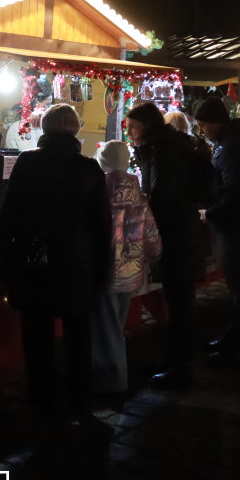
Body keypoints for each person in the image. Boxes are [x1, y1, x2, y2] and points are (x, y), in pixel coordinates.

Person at [0, 104, 112, 420]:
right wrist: (102, 272)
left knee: (37, 336)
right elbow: (103, 228)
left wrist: (7, 264)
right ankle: (79, 399)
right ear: (75, 131)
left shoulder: (27, 163)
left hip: (34, 263)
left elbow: (9, 218)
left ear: (44, 131)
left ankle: (42, 397)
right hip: (77, 264)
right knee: (78, 337)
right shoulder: (89, 169)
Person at [126, 101, 213, 389]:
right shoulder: (168, 146)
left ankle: (181, 367)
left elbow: (161, 196)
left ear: (147, 126)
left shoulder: (162, 151)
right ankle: (177, 360)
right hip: (180, 231)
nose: (130, 132)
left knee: (180, 303)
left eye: (133, 126)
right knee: (179, 301)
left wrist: (144, 224)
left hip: (176, 235)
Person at [91, 141, 162, 400]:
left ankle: (112, 381)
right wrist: (154, 256)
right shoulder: (139, 195)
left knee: (106, 329)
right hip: (131, 271)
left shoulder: (98, 193)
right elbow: (152, 235)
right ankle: (109, 376)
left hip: (107, 271)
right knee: (115, 325)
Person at [194, 97, 240, 362]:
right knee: (238, 284)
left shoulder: (234, 146)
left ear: (215, 122)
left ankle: (236, 341)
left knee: (238, 284)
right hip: (238, 220)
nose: (201, 131)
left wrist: (210, 213)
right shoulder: (235, 140)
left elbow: (235, 189)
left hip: (234, 223)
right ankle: (235, 337)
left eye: (202, 125)